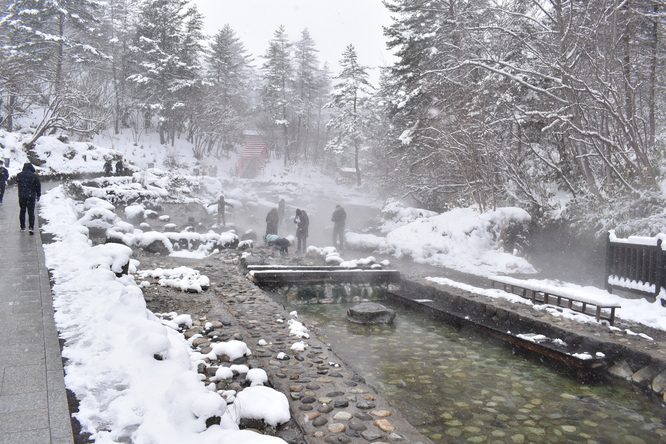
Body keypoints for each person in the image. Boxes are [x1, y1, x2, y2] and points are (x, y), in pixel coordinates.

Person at [16, 162, 41, 235]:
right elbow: (38, 186)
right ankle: (31, 227)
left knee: (22, 211)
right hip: (31, 196)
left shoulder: (19, 175)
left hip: (22, 196)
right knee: (31, 212)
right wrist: (38, 195)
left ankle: (22, 226)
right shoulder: (34, 176)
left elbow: (17, 182)